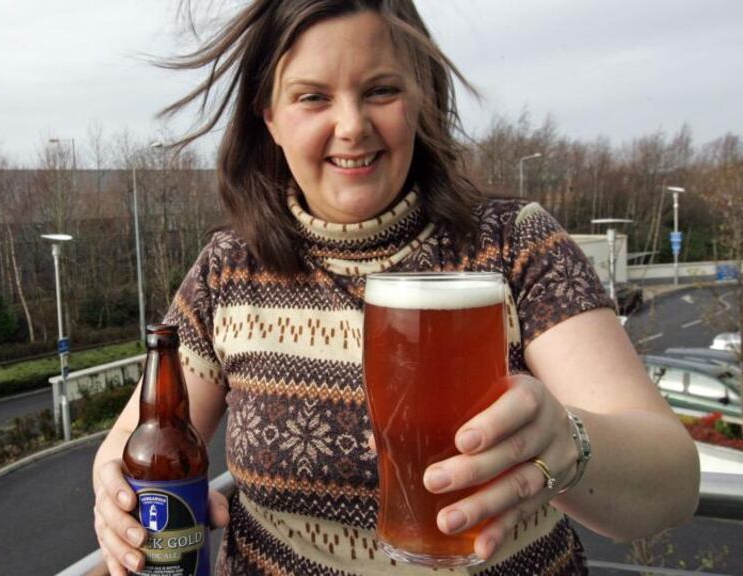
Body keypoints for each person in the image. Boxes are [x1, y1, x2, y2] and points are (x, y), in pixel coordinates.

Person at [92, 1, 700, 574]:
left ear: (422, 101)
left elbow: (672, 484)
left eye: (381, 90)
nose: (352, 126)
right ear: (269, 117)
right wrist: (112, 493)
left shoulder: (516, 246)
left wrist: (569, 445)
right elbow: (138, 443)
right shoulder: (228, 269)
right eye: (312, 97)